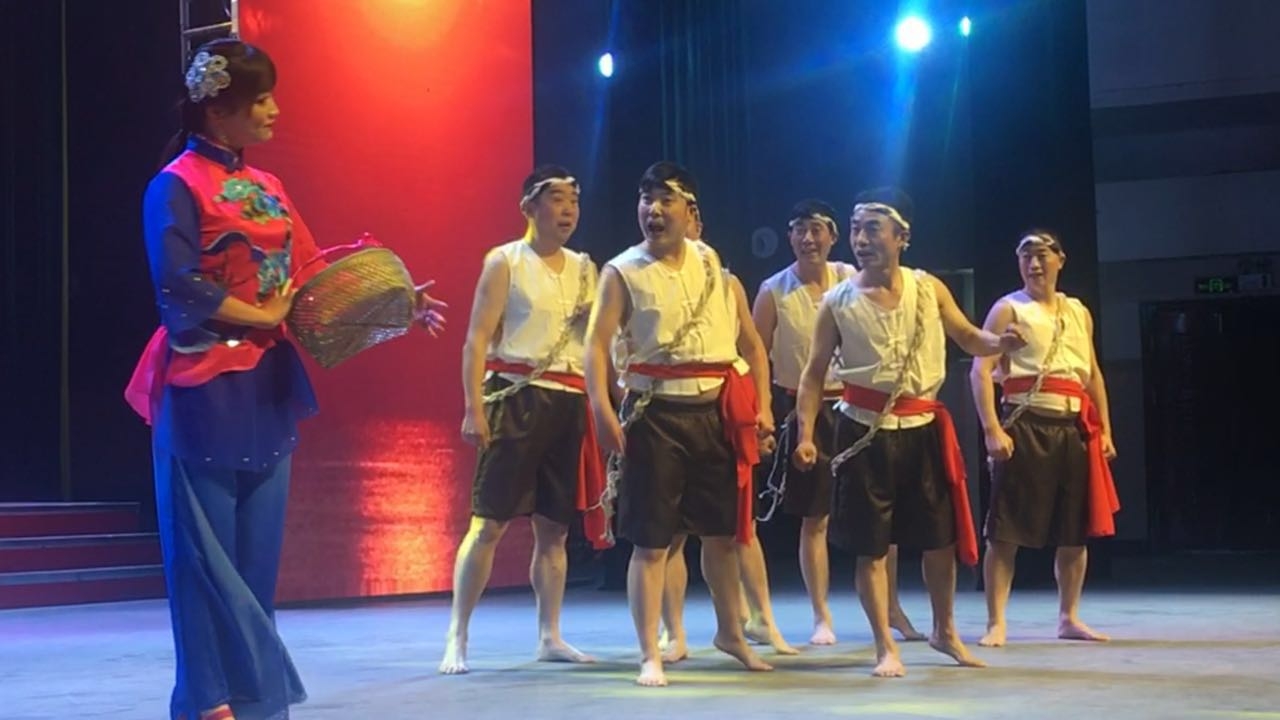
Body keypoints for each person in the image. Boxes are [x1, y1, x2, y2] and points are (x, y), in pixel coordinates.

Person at [124, 39, 446, 720]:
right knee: (203, 561)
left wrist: (398, 304)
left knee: (254, 563)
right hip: (203, 384)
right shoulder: (175, 185)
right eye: (261, 99)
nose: (274, 110)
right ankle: (206, 699)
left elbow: (311, 273)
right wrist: (262, 313)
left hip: (266, 387)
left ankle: (258, 700)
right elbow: (177, 286)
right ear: (219, 110)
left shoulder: (270, 189)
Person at [793, 187, 1023, 678]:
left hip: (922, 428)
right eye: (856, 229)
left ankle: (945, 630)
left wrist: (999, 342)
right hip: (863, 431)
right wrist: (807, 435)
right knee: (871, 546)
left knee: (939, 539)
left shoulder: (928, 288)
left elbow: (967, 336)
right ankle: (884, 645)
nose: (861, 239)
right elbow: (812, 376)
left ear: (902, 237)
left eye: (872, 229)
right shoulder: (837, 301)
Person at [585, 161, 773, 687]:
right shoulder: (622, 271)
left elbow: (748, 345)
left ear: (689, 210)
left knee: (721, 536)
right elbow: (595, 345)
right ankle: (650, 651)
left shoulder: (711, 262)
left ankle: (731, 633)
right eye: (646, 198)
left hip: (712, 414)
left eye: (665, 199)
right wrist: (601, 409)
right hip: (655, 417)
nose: (653, 209)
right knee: (651, 542)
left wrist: (760, 407)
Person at [439, 165, 604, 675]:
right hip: (514, 398)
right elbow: (476, 340)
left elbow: (599, 346)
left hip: (567, 400)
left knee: (554, 529)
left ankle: (549, 634)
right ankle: (457, 633)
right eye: (557, 200)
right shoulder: (504, 261)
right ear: (529, 207)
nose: (568, 210)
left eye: (574, 201)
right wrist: (473, 406)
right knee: (488, 522)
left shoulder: (586, 269)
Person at [754, 198, 924, 646]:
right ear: (789, 237)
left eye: (816, 229)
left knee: (883, 517)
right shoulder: (773, 290)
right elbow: (755, 354)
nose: (808, 238)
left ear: (833, 236)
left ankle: (892, 609)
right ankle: (821, 614)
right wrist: (763, 413)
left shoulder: (852, 277)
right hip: (805, 407)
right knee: (815, 516)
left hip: (860, 407)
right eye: (799, 229)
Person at [656, 203, 797, 663]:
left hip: (725, 409)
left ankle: (759, 619)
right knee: (671, 533)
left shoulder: (726, 282)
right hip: (667, 409)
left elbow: (754, 349)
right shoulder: (644, 276)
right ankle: (673, 631)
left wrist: (763, 410)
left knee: (739, 526)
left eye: (693, 222)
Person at [970, 229, 1119, 648]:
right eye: (1026, 257)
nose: (1034, 264)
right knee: (1005, 530)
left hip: (1073, 428)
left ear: (1060, 260)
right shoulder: (1008, 309)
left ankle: (1069, 616)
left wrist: (1105, 429)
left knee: (1074, 530)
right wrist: (992, 429)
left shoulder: (1078, 311)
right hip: (1026, 423)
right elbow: (980, 372)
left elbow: (1092, 374)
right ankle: (996, 621)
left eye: (1041, 255)